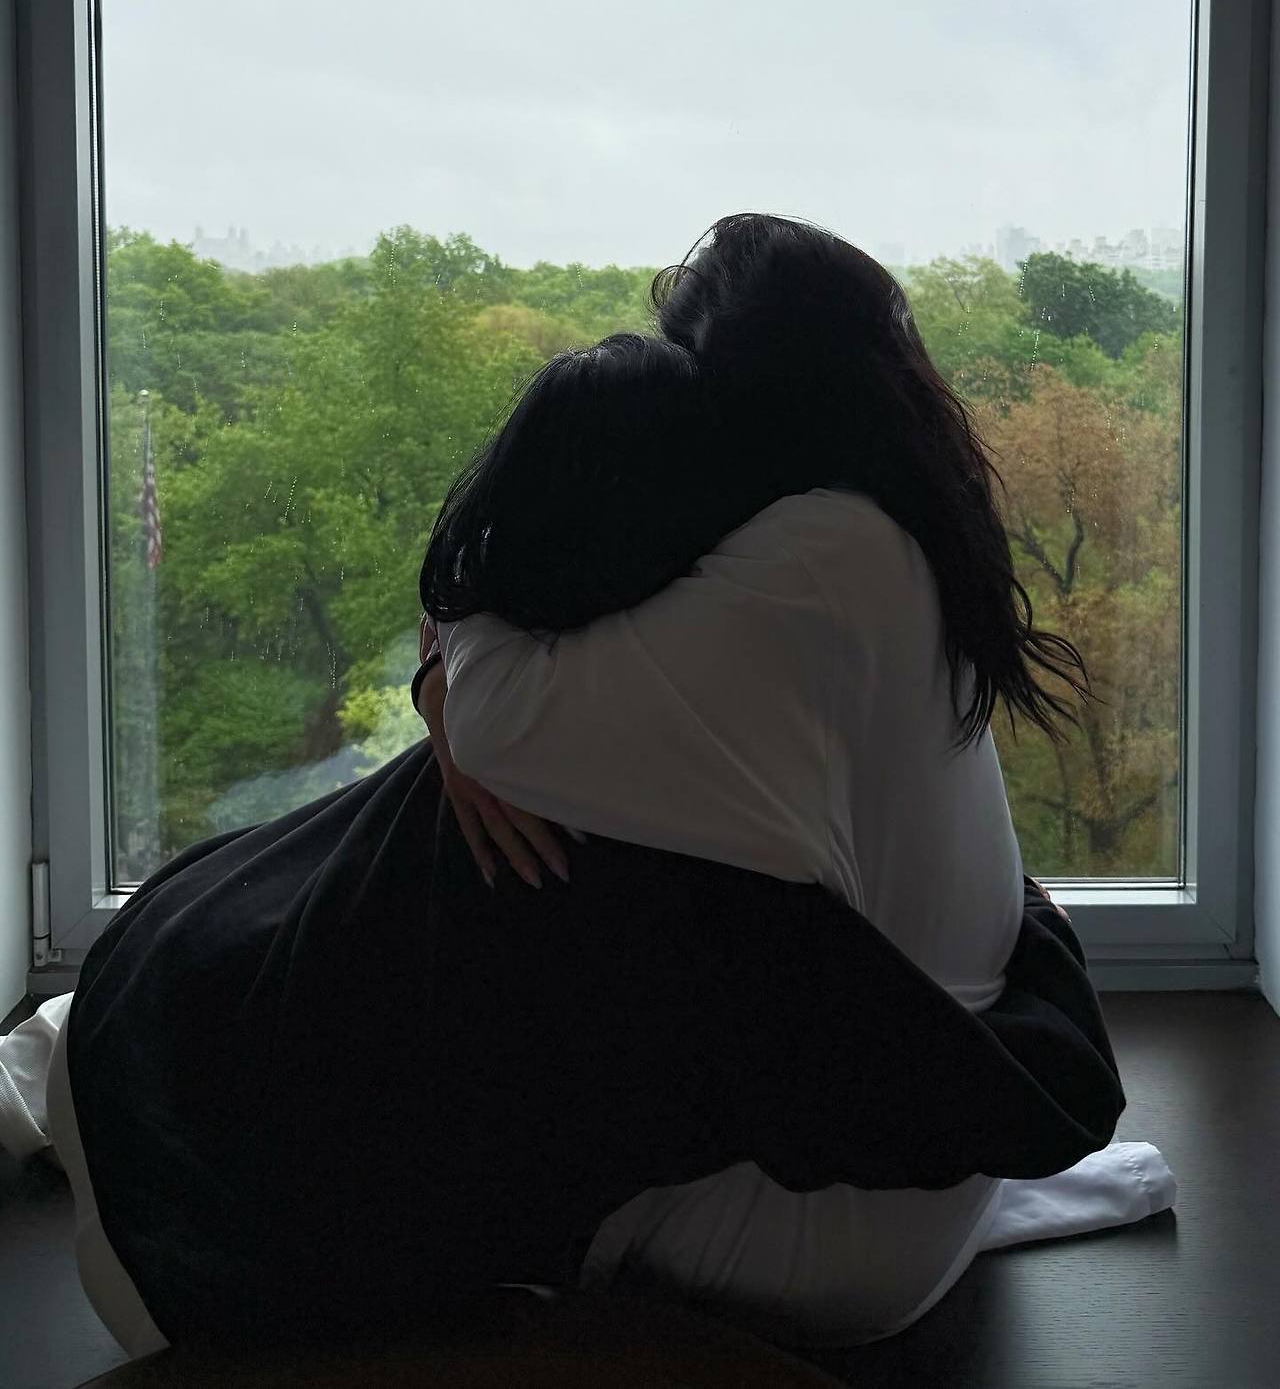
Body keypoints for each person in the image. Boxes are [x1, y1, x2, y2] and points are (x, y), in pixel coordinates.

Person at [0, 327, 1153, 1361]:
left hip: (145, 1026)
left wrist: (447, 675)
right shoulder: (650, 849)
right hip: (187, 1240)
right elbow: (957, 1089)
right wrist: (1033, 942)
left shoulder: (540, 730)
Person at [414, 213, 1176, 1348]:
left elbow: (502, 716)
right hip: (920, 1151)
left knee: (464, 860)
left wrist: (443, 660)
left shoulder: (819, 557)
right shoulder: (892, 533)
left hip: (829, 1221)